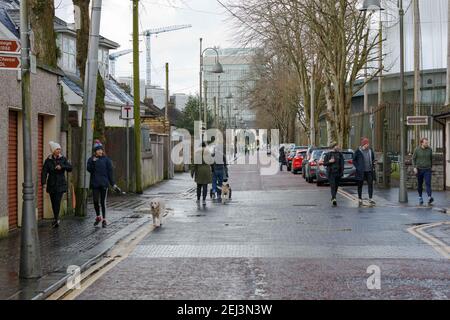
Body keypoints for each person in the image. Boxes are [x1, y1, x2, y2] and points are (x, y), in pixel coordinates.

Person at [87, 140, 118, 228]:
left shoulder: (107, 160)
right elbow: (89, 169)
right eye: (98, 150)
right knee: (95, 201)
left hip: (104, 184)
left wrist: (113, 184)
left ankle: (104, 219)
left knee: (103, 202)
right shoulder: (91, 160)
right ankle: (98, 216)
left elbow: (110, 173)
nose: (100, 151)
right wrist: (93, 161)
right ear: (95, 151)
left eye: (101, 150)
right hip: (95, 184)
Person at [41, 141, 73, 228]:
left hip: (60, 183)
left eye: (59, 149)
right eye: (57, 149)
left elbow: (70, 168)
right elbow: (44, 172)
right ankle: (56, 218)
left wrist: (61, 166)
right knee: (53, 202)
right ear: (53, 150)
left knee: (57, 201)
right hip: (51, 184)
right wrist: (43, 182)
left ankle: (56, 219)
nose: (59, 150)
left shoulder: (63, 159)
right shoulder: (48, 160)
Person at [353, 137, 377, 206]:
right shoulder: (358, 151)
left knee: (370, 184)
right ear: (363, 144)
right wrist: (358, 167)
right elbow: (354, 160)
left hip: (369, 171)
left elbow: (372, 159)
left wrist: (373, 163)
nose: (368, 145)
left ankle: (370, 198)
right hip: (361, 171)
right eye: (366, 144)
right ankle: (360, 198)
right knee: (360, 185)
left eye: (368, 144)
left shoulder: (370, 151)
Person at [413, 138, 434, 206]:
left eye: (427, 143)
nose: (427, 144)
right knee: (420, 184)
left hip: (427, 169)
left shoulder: (430, 149)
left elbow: (431, 158)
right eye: (425, 143)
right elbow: (413, 159)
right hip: (419, 169)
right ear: (421, 143)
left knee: (428, 183)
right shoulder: (417, 150)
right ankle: (420, 197)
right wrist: (414, 167)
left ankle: (429, 197)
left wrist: (431, 167)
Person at [323, 141, 344, 207]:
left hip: (338, 173)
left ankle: (333, 197)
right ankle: (334, 198)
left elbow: (342, 163)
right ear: (333, 147)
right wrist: (329, 161)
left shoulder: (340, 154)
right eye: (336, 146)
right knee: (333, 186)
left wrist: (342, 171)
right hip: (331, 173)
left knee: (336, 186)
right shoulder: (328, 154)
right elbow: (324, 163)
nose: (337, 147)